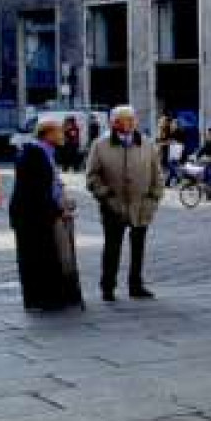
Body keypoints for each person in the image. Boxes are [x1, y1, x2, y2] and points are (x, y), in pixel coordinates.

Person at [85, 106, 163, 302]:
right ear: (114, 123)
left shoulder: (147, 144)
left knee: (138, 248)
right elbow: (92, 176)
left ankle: (136, 285)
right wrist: (105, 195)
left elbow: (157, 175)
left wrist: (153, 198)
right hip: (113, 206)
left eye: (132, 119)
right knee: (112, 247)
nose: (131, 122)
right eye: (126, 119)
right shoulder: (100, 145)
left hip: (141, 205)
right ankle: (108, 287)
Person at [10, 115, 84, 313]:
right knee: (37, 258)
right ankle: (42, 300)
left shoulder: (45, 152)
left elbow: (51, 185)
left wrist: (62, 203)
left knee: (47, 257)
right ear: (48, 134)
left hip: (41, 213)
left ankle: (52, 298)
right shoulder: (35, 154)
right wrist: (59, 210)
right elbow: (38, 191)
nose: (63, 135)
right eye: (59, 131)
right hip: (32, 217)